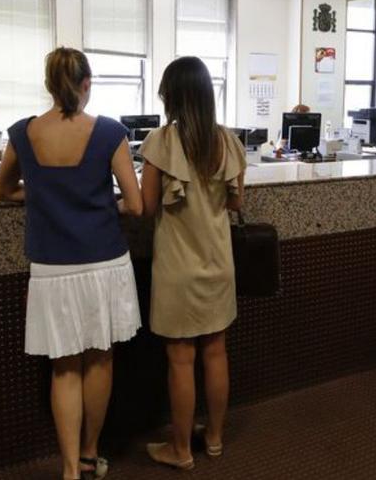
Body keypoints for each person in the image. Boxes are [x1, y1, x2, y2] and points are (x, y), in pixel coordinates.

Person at [0, 47, 143, 480]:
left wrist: (40, 195)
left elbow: (4, 191)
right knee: (99, 360)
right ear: (87, 84)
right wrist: (104, 204)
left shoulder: (23, 133)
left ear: (48, 85)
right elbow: (135, 205)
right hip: (103, 260)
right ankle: (89, 454)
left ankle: (67, 470)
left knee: (64, 367)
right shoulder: (110, 132)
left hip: (51, 266)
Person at [138, 56, 248, 470]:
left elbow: (147, 207)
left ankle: (181, 449)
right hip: (220, 263)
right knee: (216, 352)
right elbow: (237, 202)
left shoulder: (161, 142)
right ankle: (215, 439)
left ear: (171, 96)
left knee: (181, 358)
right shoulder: (229, 142)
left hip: (178, 268)